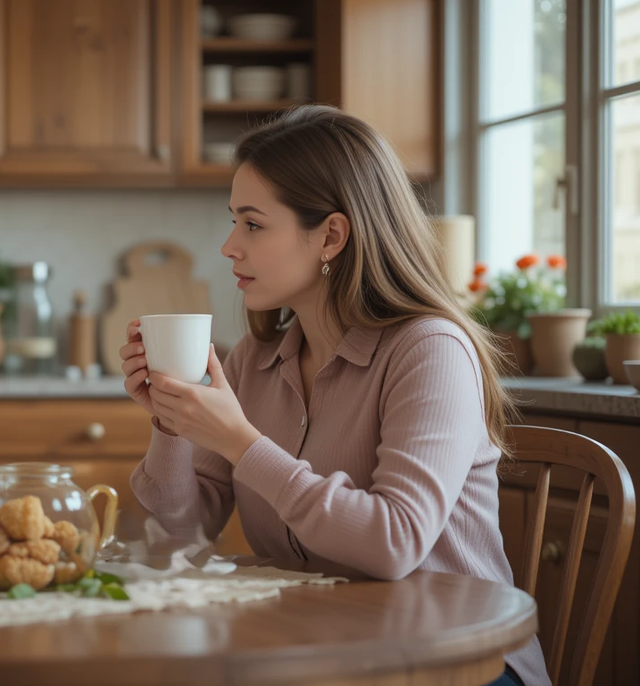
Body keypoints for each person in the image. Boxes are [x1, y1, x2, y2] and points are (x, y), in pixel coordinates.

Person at [122, 105, 546, 686]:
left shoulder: (430, 351)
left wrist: (242, 443)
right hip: (323, 654)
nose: (228, 246)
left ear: (331, 235)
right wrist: (172, 423)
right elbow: (178, 537)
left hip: (454, 666)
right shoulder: (253, 360)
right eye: (233, 221)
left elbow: (394, 542)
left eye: (253, 225)